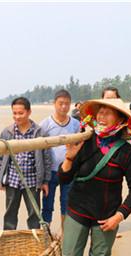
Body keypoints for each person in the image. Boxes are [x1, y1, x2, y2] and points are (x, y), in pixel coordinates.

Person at [60, 99, 131, 256]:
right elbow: (64, 178)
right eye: (100, 112)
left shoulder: (126, 152)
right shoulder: (84, 142)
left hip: (107, 217)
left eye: (108, 113)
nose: (102, 117)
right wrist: (69, 158)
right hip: (77, 211)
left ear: (121, 120)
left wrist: (119, 216)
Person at [0, 97, 52, 230]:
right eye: (14, 113)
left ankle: (34, 243)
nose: (17, 116)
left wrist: (45, 181)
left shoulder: (39, 132)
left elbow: (47, 158)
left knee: (34, 214)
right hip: (12, 180)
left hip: (32, 181)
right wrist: (0, 177)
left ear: (29, 112)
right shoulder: (7, 132)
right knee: (10, 214)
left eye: (21, 113)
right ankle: (8, 241)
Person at [39, 90, 80, 233]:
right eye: (60, 103)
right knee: (47, 204)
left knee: (66, 203)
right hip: (49, 173)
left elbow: (79, 145)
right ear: (54, 104)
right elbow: (40, 149)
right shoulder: (45, 124)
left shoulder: (75, 124)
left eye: (67, 104)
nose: (63, 107)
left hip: (68, 171)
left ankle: (65, 234)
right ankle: (46, 233)